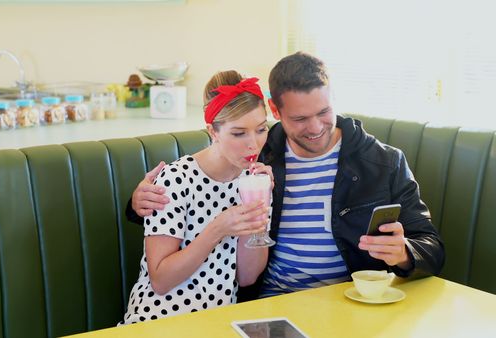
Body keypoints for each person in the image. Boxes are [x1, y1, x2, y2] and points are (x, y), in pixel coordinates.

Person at [127, 52, 445, 301]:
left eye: (324, 112)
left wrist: (405, 253)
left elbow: (431, 247)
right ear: (275, 111)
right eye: (300, 119)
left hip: (349, 298)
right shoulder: (259, 155)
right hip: (271, 300)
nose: (316, 127)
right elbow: (199, 183)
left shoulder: (382, 162)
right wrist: (137, 203)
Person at [121, 70, 273, 324]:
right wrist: (218, 229)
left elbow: (247, 277)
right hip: (160, 320)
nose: (254, 144)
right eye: (238, 133)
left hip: (218, 322)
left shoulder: (256, 181)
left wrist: (256, 212)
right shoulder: (176, 179)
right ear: (213, 131)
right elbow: (160, 280)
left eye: (260, 129)